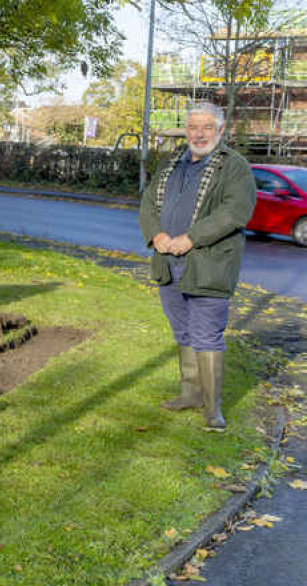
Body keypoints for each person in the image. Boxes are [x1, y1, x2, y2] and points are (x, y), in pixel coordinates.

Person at [138, 101, 256, 432]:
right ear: (186, 130)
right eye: (193, 127)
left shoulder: (235, 167)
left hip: (209, 265)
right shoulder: (172, 163)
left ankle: (212, 410)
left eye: (207, 127)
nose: (199, 133)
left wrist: (192, 238)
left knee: (207, 334)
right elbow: (148, 204)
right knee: (183, 331)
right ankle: (189, 393)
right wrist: (156, 234)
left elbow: (234, 212)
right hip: (168, 262)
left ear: (220, 130)